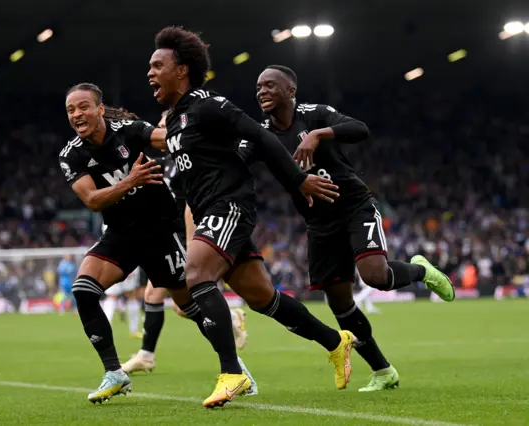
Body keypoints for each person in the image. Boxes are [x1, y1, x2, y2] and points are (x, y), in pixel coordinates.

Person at [148, 26, 356, 408]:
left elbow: (262, 138)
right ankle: (335, 341)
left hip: (228, 206)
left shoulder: (210, 105)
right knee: (264, 298)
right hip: (209, 210)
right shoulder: (175, 119)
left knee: (196, 275)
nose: (150, 73)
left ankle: (233, 372)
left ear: (182, 70)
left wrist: (298, 180)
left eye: (158, 65)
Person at [243, 64, 456, 391]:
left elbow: (359, 129)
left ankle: (421, 271)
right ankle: (383, 371)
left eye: (270, 85)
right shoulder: (261, 134)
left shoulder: (314, 115)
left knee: (375, 276)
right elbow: (237, 159)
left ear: (290, 91)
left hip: (354, 206)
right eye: (258, 87)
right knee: (339, 301)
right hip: (318, 223)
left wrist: (318, 134)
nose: (262, 92)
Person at [59, 83, 256, 404]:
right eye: (70, 110)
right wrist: (130, 181)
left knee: (189, 308)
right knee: (83, 290)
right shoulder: (71, 155)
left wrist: (222, 137)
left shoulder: (131, 131)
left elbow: (171, 140)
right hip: (120, 234)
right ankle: (115, 373)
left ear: (99, 108)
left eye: (83, 107)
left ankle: (236, 370)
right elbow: (93, 200)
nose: (77, 114)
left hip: (160, 233)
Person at [122, 111, 248, 375]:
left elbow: (191, 204)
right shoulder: (167, 161)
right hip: (167, 235)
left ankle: (228, 336)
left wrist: (192, 243)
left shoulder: (186, 161)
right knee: (164, 299)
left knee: (165, 298)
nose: (155, 131)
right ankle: (148, 353)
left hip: (184, 234)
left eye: (160, 126)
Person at [101, 266, 143, 339]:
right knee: (116, 296)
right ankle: (133, 331)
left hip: (118, 264)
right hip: (122, 264)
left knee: (126, 296)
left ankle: (104, 331)